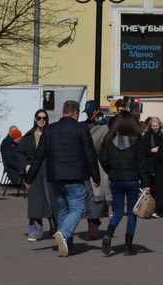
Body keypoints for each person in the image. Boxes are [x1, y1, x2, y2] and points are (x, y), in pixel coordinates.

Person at [24, 100, 102, 258]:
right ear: (75, 113)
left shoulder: (50, 130)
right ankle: (63, 232)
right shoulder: (81, 128)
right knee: (78, 210)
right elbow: (90, 153)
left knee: (63, 211)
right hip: (75, 176)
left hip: (55, 177)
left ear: (63, 112)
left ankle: (68, 246)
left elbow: (39, 155)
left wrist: (29, 178)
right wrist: (96, 176)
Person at [97, 111, 151, 256]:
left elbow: (102, 158)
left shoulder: (109, 140)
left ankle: (109, 232)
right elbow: (142, 164)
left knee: (118, 211)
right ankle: (128, 247)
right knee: (132, 213)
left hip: (116, 180)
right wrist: (146, 183)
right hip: (132, 180)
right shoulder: (137, 141)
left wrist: (111, 171)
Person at [15, 110, 56, 241]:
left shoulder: (51, 134)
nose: (41, 120)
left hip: (49, 170)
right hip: (34, 171)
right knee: (35, 201)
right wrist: (26, 165)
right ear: (35, 119)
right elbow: (20, 153)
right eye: (39, 118)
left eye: (44, 118)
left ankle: (55, 228)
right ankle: (35, 232)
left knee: (52, 199)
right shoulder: (28, 137)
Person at [82, 100, 111, 241]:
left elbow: (106, 148)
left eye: (91, 111)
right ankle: (93, 223)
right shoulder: (82, 126)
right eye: (87, 112)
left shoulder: (104, 128)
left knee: (95, 198)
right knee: (87, 198)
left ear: (97, 111)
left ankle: (92, 230)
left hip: (98, 166)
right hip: (83, 166)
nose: (88, 114)